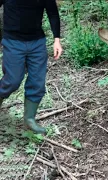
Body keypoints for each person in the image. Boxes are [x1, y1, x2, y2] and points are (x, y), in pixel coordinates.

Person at [0, 0, 63, 134]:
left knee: (37, 83)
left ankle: (29, 120)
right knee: (12, 80)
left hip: (37, 43)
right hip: (13, 41)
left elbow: (53, 13)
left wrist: (57, 39)